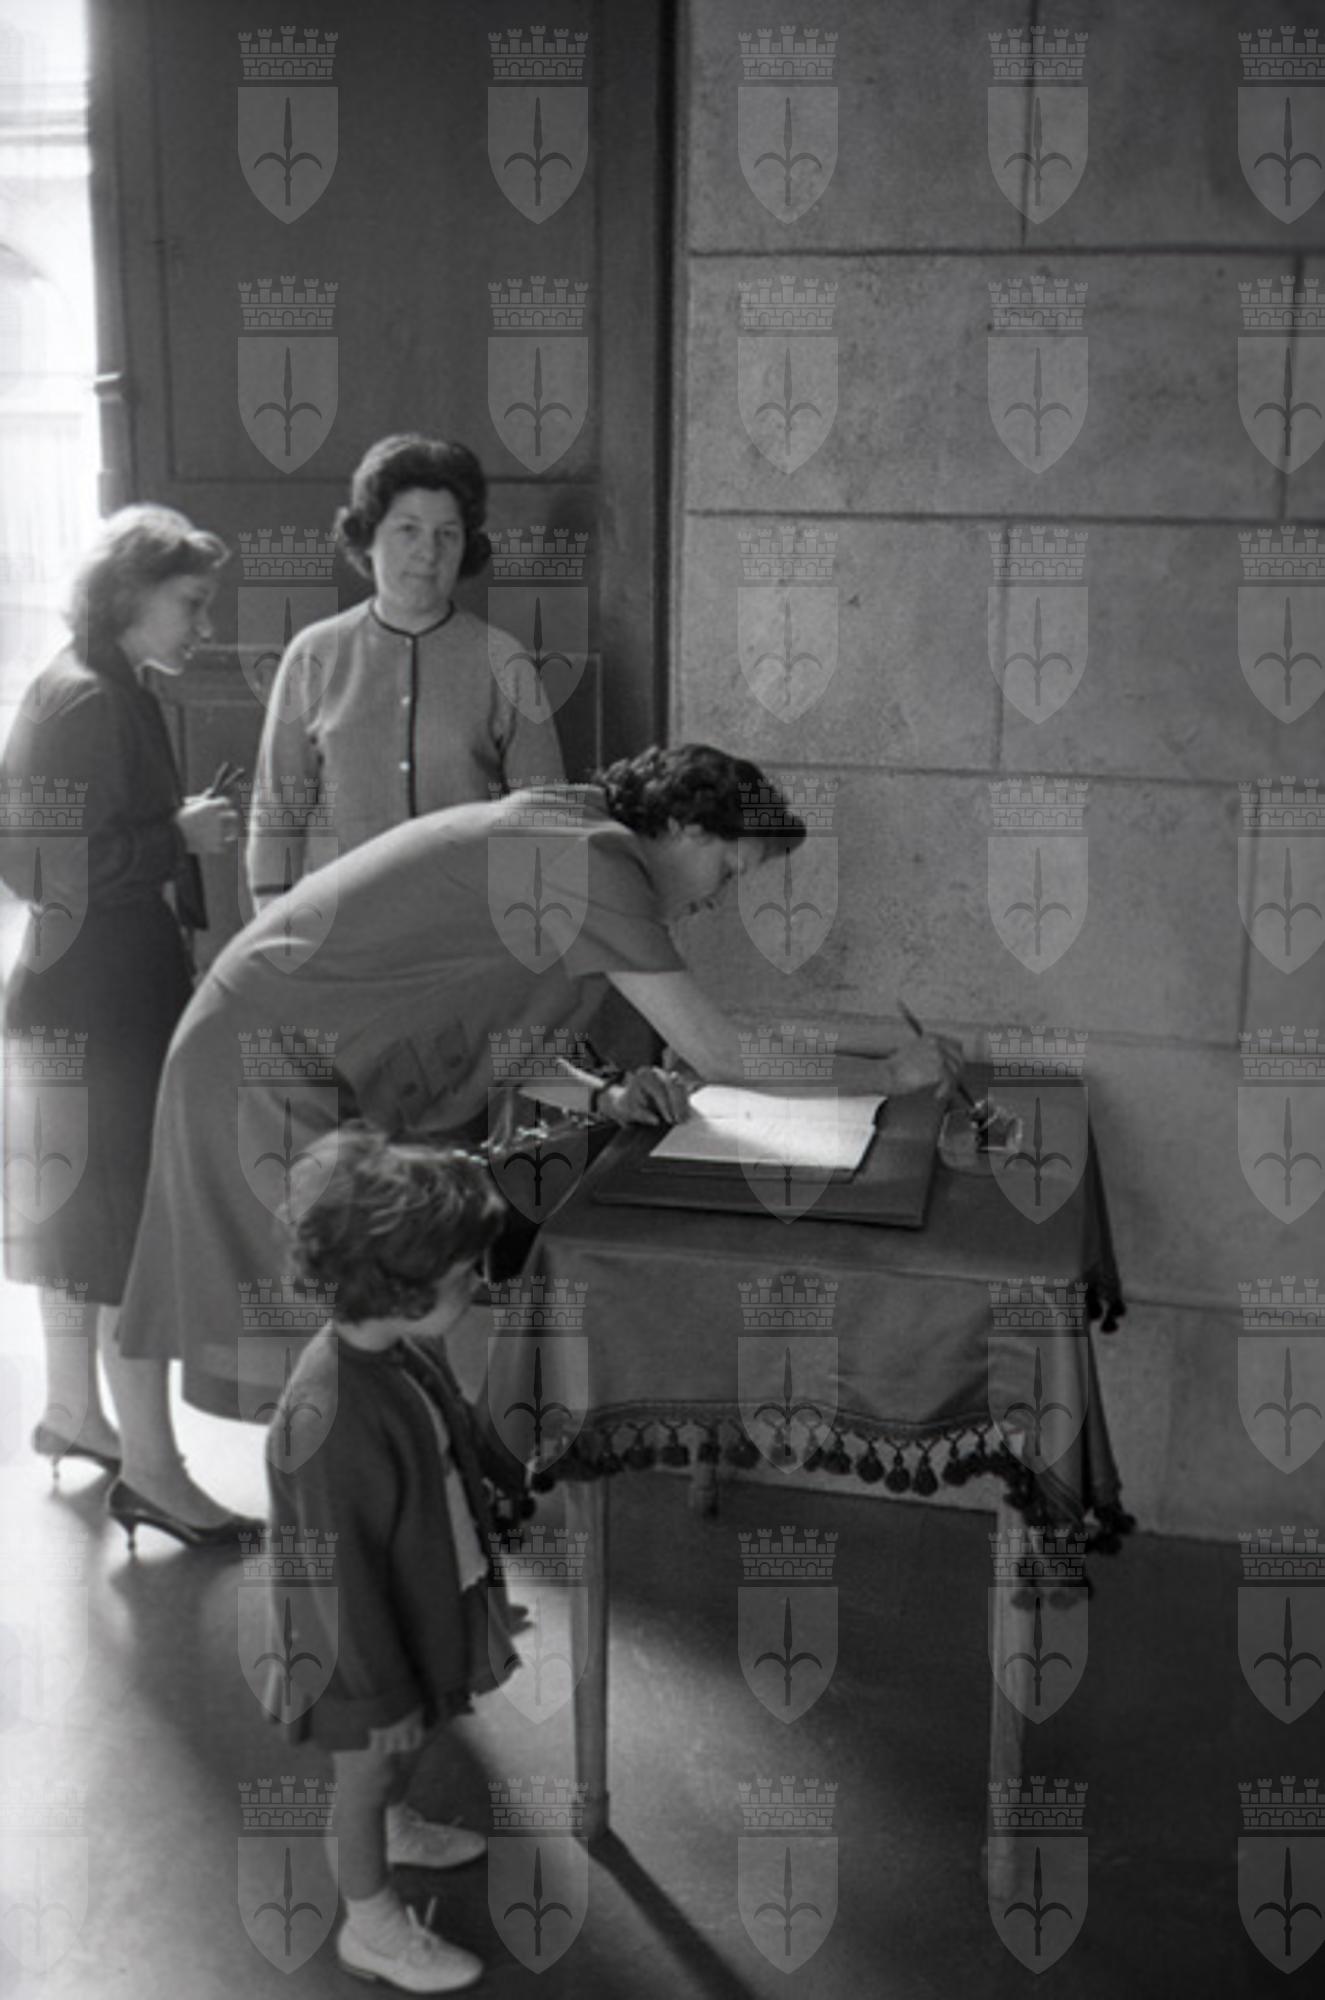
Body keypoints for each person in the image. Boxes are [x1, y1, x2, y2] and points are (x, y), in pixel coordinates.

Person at [115, 743, 959, 1421]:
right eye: (729, 873)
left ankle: (423, 1514)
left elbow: (498, 1033)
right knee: (350, 1331)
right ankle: (368, 1531)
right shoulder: (591, 862)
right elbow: (718, 1052)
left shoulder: (577, 838)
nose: (717, 903)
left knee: (387, 1319)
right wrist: (886, 1074)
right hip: (265, 1056)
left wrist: (602, 1096)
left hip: (295, 1047)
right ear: (683, 827)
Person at [0, 504, 257, 1543]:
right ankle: (152, 1471)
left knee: (80, 1224)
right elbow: (34, 868)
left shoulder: (94, 683)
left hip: (81, 994)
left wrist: (165, 831)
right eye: (191, 603)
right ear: (127, 594)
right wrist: (176, 836)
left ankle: (75, 1410)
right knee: (125, 1236)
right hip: (99, 1001)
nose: (205, 625)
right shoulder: (92, 699)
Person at [266, 1123, 521, 1992]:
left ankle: (395, 1824)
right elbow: (335, 1578)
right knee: (365, 1774)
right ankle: (370, 1924)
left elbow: (445, 1440)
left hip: (416, 1601)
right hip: (358, 1651)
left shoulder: (397, 1351)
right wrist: (379, 1696)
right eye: (461, 1273)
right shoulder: (330, 1416)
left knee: (410, 1746)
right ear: (399, 1285)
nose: (477, 1281)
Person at [244, 433, 565, 912]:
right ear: (368, 536)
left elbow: (545, 818)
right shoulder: (312, 656)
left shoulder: (505, 661)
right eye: (408, 530)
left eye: (447, 534)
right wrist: (278, 933)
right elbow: (277, 815)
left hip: (467, 926)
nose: (428, 553)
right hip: (339, 927)